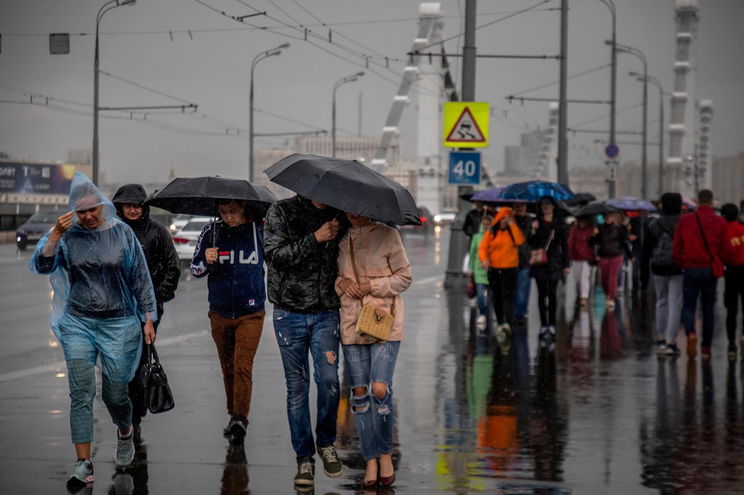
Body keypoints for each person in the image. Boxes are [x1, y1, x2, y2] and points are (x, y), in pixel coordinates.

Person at [29, 172, 157, 490]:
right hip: (78, 323)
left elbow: (140, 277)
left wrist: (149, 317)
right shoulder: (68, 236)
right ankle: (83, 464)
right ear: (73, 210)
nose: (87, 216)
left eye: (92, 210)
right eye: (80, 211)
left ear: (101, 206)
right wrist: (56, 234)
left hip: (119, 323)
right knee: (81, 392)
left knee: (115, 393)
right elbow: (42, 265)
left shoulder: (122, 234)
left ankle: (125, 430)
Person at [264, 195, 348, 488]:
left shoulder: (341, 214)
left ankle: (326, 442)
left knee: (328, 381)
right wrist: (315, 237)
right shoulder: (283, 211)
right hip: (289, 311)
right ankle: (304, 458)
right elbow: (274, 255)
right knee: (297, 388)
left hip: (326, 311)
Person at [335, 212, 412, 489]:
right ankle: (369, 459)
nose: (352, 214)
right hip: (351, 323)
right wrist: (342, 283)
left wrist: (371, 286)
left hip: (383, 322)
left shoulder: (388, 234)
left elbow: (405, 278)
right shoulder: (340, 238)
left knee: (380, 388)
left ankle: (384, 454)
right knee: (359, 394)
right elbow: (335, 278)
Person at [190, 200, 266, 445]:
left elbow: (276, 259)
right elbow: (195, 269)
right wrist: (206, 258)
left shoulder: (259, 230)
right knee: (228, 367)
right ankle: (232, 413)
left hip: (250, 311)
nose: (228, 217)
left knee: (243, 365)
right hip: (220, 311)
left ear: (244, 209)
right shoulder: (211, 232)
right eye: (223, 212)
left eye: (233, 211)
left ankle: (240, 419)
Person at [112, 184, 181, 439]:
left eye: (137, 205)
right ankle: (125, 413)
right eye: (128, 205)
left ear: (144, 207)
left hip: (147, 313)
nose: (132, 210)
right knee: (119, 365)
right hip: (116, 311)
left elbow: (173, 268)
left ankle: (135, 417)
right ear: (120, 207)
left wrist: (156, 299)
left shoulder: (157, 233)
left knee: (139, 362)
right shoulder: (112, 232)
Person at [672, 189, 727, 360]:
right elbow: (724, 248)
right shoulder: (720, 222)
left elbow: (676, 247)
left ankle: (691, 334)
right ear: (711, 203)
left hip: (690, 267)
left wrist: (683, 262)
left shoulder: (685, 220)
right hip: (710, 269)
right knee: (708, 307)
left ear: (697, 202)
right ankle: (706, 348)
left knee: (689, 305)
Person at [641, 193, 683, 356]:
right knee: (675, 303)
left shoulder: (654, 224)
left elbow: (646, 250)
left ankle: (660, 337)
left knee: (661, 301)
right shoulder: (682, 223)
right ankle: (671, 341)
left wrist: (643, 275)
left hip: (658, 266)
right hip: (678, 267)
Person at [478, 207, 525, 349]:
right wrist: (484, 260)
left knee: (509, 297)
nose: (505, 220)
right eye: (503, 217)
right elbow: (483, 248)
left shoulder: (513, 230)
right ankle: (500, 323)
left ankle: (508, 323)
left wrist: (512, 224)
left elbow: (519, 241)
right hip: (495, 269)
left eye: (508, 217)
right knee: (497, 297)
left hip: (510, 269)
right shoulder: (492, 232)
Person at [528, 196, 570, 350]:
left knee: (551, 294)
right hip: (540, 263)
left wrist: (566, 264)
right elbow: (531, 243)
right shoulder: (536, 222)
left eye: (548, 204)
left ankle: (551, 325)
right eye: (543, 204)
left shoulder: (559, 224)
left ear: (553, 206)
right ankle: (543, 325)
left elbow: (564, 245)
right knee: (541, 295)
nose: (545, 207)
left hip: (554, 263)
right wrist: (533, 230)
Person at [719, 203, 744, 360]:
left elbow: (724, 252)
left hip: (731, 271)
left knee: (731, 310)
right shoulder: (742, 229)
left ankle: (732, 345)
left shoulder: (723, 232)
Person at [591, 211, 629, 310]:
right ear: (604, 217)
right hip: (603, 256)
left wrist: (630, 255)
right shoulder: (599, 228)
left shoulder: (619, 228)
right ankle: (607, 294)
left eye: (610, 216)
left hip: (616, 255)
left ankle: (611, 297)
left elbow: (624, 242)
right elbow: (592, 243)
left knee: (612, 277)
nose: (608, 218)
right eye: (607, 216)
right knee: (604, 279)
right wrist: (594, 235)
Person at [468, 214, 493, 330]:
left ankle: (491, 314)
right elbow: (472, 254)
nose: (486, 226)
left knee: (492, 295)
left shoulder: (494, 236)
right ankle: (482, 314)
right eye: (484, 224)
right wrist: (470, 269)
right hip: (479, 270)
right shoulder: (477, 237)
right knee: (480, 295)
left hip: (492, 269)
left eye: (489, 224)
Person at [568, 216, 597, 309]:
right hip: (576, 257)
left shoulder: (591, 230)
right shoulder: (574, 230)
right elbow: (570, 242)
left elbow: (594, 243)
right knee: (578, 278)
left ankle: (584, 297)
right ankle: (582, 292)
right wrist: (570, 255)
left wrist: (594, 236)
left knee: (584, 276)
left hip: (587, 257)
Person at [512, 202, 534, 323]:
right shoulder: (511, 221)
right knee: (514, 290)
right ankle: (518, 312)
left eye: (522, 206)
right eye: (517, 206)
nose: (520, 208)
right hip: (511, 260)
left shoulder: (532, 221)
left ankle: (520, 315)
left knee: (523, 289)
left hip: (526, 260)